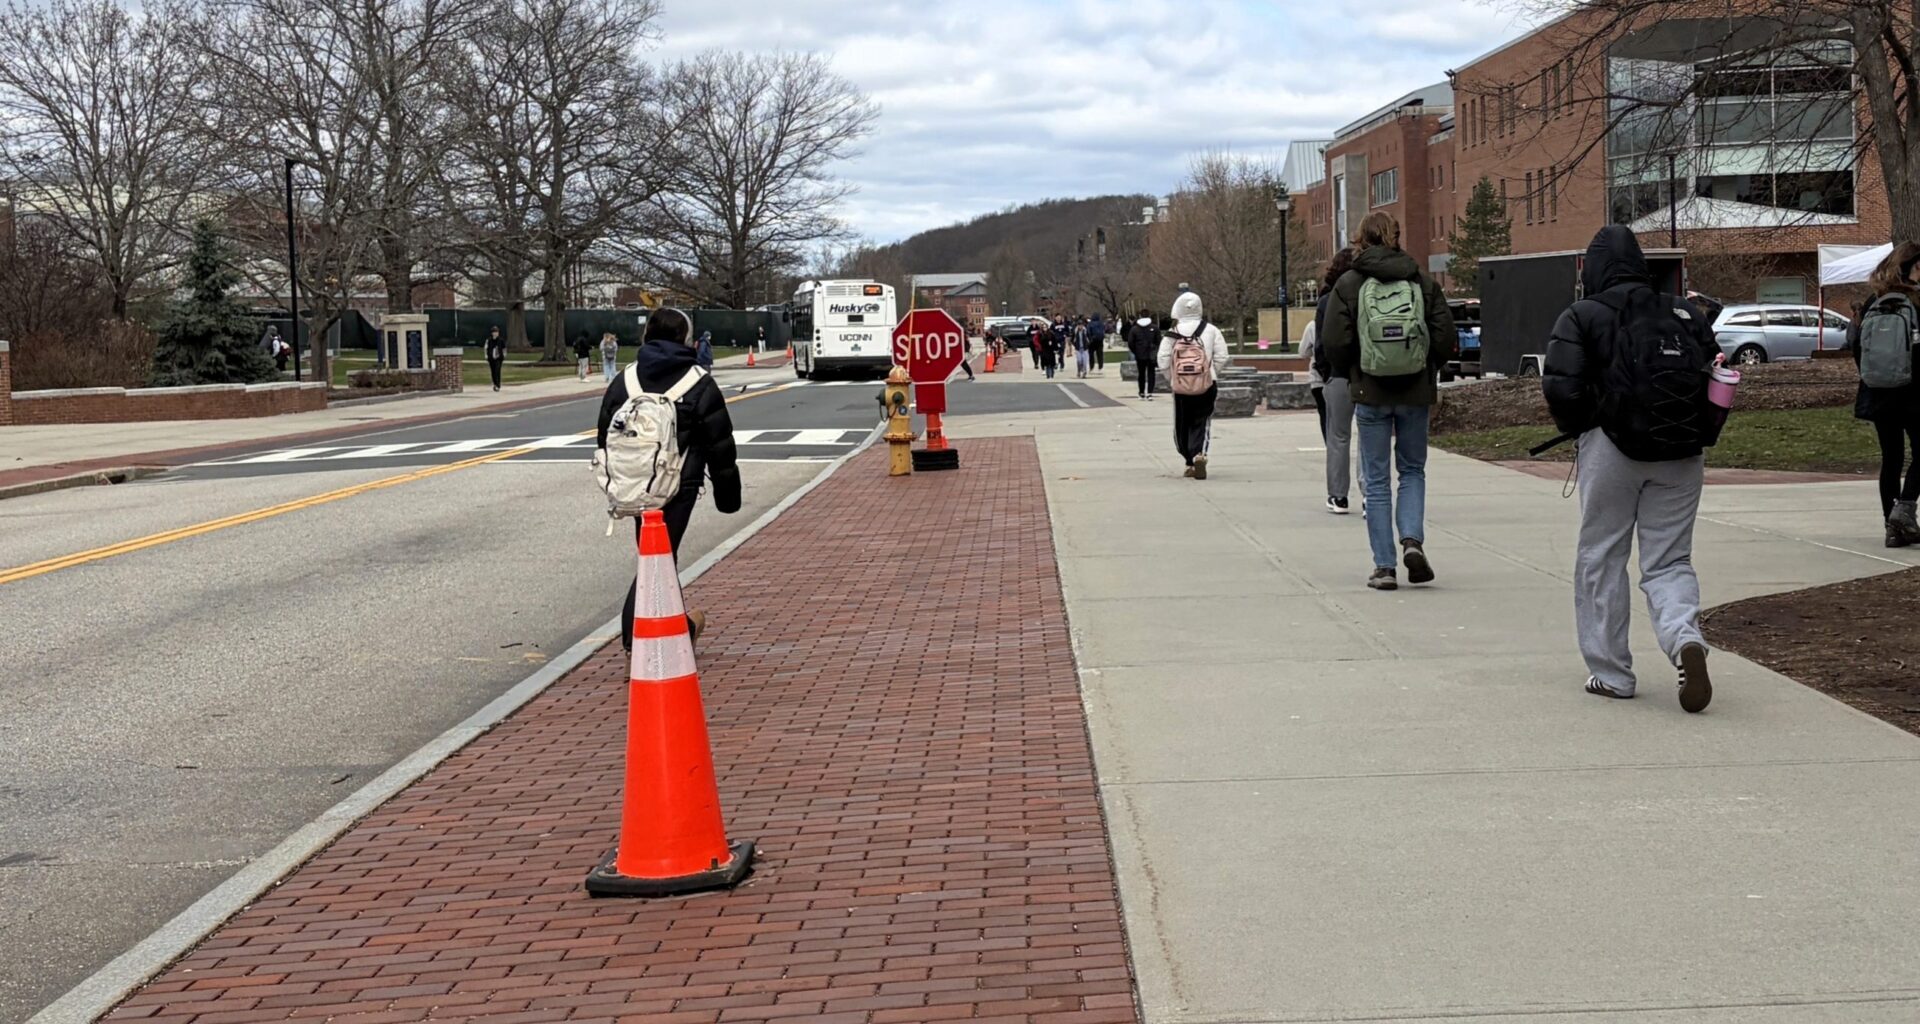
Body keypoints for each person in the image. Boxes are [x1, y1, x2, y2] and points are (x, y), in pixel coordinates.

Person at [1543, 225, 1720, 712]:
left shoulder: (1583, 314)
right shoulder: (1684, 312)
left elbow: (1561, 386)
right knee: (1670, 560)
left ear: (1592, 269)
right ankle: (1685, 638)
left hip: (1612, 447)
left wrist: (1583, 427)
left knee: (1602, 555)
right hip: (1682, 451)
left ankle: (1612, 673)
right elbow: (1715, 374)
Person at [1321, 213, 1457, 590]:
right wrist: (1425, 366)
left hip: (1370, 392)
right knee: (1412, 470)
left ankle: (1384, 567)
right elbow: (1445, 336)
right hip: (1415, 392)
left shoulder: (1348, 284)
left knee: (1377, 479)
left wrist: (1356, 370)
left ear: (1360, 239)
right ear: (1396, 236)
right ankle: (1411, 540)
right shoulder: (1421, 280)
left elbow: (1333, 342)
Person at [597, 307, 742, 652]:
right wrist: (728, 496)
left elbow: (605, 433)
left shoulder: (626, 378)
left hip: (634, 483)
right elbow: (720, 442)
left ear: (647, 335)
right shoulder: (698, 381)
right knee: (660, 556)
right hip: (679, 485)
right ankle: (640, 637)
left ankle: (671, 631)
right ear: (686, 339)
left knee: (656, 554)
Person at [1848, 243, 1920, 547]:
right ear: (1912, 268)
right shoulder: (1916, 300)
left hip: (1878, 391)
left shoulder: (1873, 300)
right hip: (1914, 391)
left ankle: (1893, 529)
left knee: (1891, 458)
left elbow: (1855, 344)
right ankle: (1904, 510)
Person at [1157, 291, 1231, 479]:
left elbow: (1163, 359)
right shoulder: (1212, 330)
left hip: (1181, 386)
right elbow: (1222, 356)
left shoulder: (1173, 332)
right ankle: (1199, 453)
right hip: (1206, 385)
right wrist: (1210, 373)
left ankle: (1188, 459)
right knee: (1202, 420)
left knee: (1182, 423)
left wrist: (1173, 378)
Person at [1313, 248, 1359, 514]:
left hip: (1338, 375)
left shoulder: (1327, 301)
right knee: (1368, 437)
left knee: (1338, 437)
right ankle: (1370, 496)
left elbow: (1321, 343)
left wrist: (1326, 371)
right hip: (1366, 374)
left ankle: (1338, 496)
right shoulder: (1369, 293)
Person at [1127, 308, 1159, 400]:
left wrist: (1136, 351)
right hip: (1151, 354)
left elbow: (1130, 343)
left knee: (1141, 374)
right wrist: (1155, 351)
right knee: (1151, 373)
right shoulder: (1155, 328)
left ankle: (1141, 392)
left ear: (1140, 316)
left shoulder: (1134, 329)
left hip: (1140, 355)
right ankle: (1149, 392)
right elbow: (1158, 341)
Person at [483, 326, 506, 391]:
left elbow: (504, 348)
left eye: (496, 332)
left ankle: (498, 384)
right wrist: (486, 355)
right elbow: (486, 348)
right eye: (494, 332)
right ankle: (495, 383)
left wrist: (504, 355)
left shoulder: (501, 340)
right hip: (491, 358)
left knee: (497, 370)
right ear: (492, 333)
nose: (495, 333)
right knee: (493, 371)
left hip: (499, 358)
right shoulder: (489, 340)